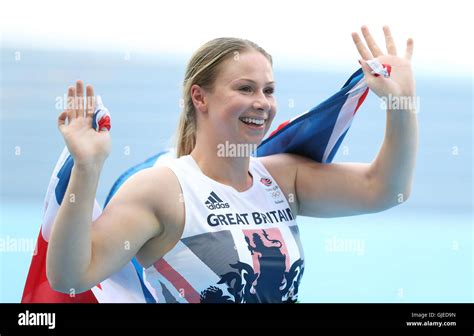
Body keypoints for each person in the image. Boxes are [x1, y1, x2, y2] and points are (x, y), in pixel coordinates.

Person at [47, 26, 417, 303]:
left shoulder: (282, 177)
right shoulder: (162, 190)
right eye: (245, 89)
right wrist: (88, 167)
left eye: (268, 91)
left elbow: (385, 189)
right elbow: (71, 277)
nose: (262, 103)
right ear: (200, 97)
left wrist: (402, 103)